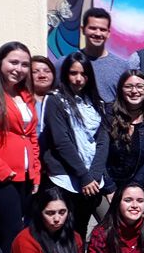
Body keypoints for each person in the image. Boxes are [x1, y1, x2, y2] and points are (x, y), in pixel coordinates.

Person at [0, 41, 40, 253]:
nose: (18, 69)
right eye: (13, 62)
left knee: (15, 234)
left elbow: (31, 136)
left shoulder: (25, 94)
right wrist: (1, 170)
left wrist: (35, 172)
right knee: (11, 232)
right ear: (0, 62)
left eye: (24, 64)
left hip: (25, 177)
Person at [40, 51, 108, 237]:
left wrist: (93, 175)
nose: (78, 79)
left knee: (83, 228)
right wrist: (83, 176)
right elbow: (61, 141)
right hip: (66, 178)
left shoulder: (96, 102)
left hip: (92, 179)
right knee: (64, 231)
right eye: (73, 73)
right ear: (65, 74)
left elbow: (103, 141)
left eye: (83, 74)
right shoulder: (55, 100)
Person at [103, 70, 144, 201]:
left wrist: (133, 188)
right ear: (120, 89)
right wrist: (109, 188)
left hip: (137, 187)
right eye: (128, 86)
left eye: (140, 86)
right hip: (107, 186)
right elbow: (100, 153)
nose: (134, 91)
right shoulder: (109, 114)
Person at [80, 6, 130, 104]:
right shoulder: (67, 63)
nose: (98, 33)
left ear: (108, 33)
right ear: (83, 30)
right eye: (93, 28)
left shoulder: (122, 66)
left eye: (102, 30)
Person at [29, 56, 56, 135]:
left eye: (47, 71)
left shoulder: (61, 101)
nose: (42, 75)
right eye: (35, 72)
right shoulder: (22, 101)